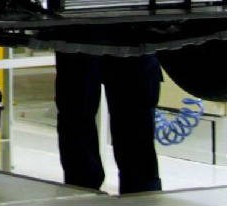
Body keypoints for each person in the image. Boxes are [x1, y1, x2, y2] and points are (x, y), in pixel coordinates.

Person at [54, 52, 163, 195]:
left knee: (135, 128)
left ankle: (141, 194)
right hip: (85, 45)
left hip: (130, 46)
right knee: (77, 119)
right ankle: (81, 193)